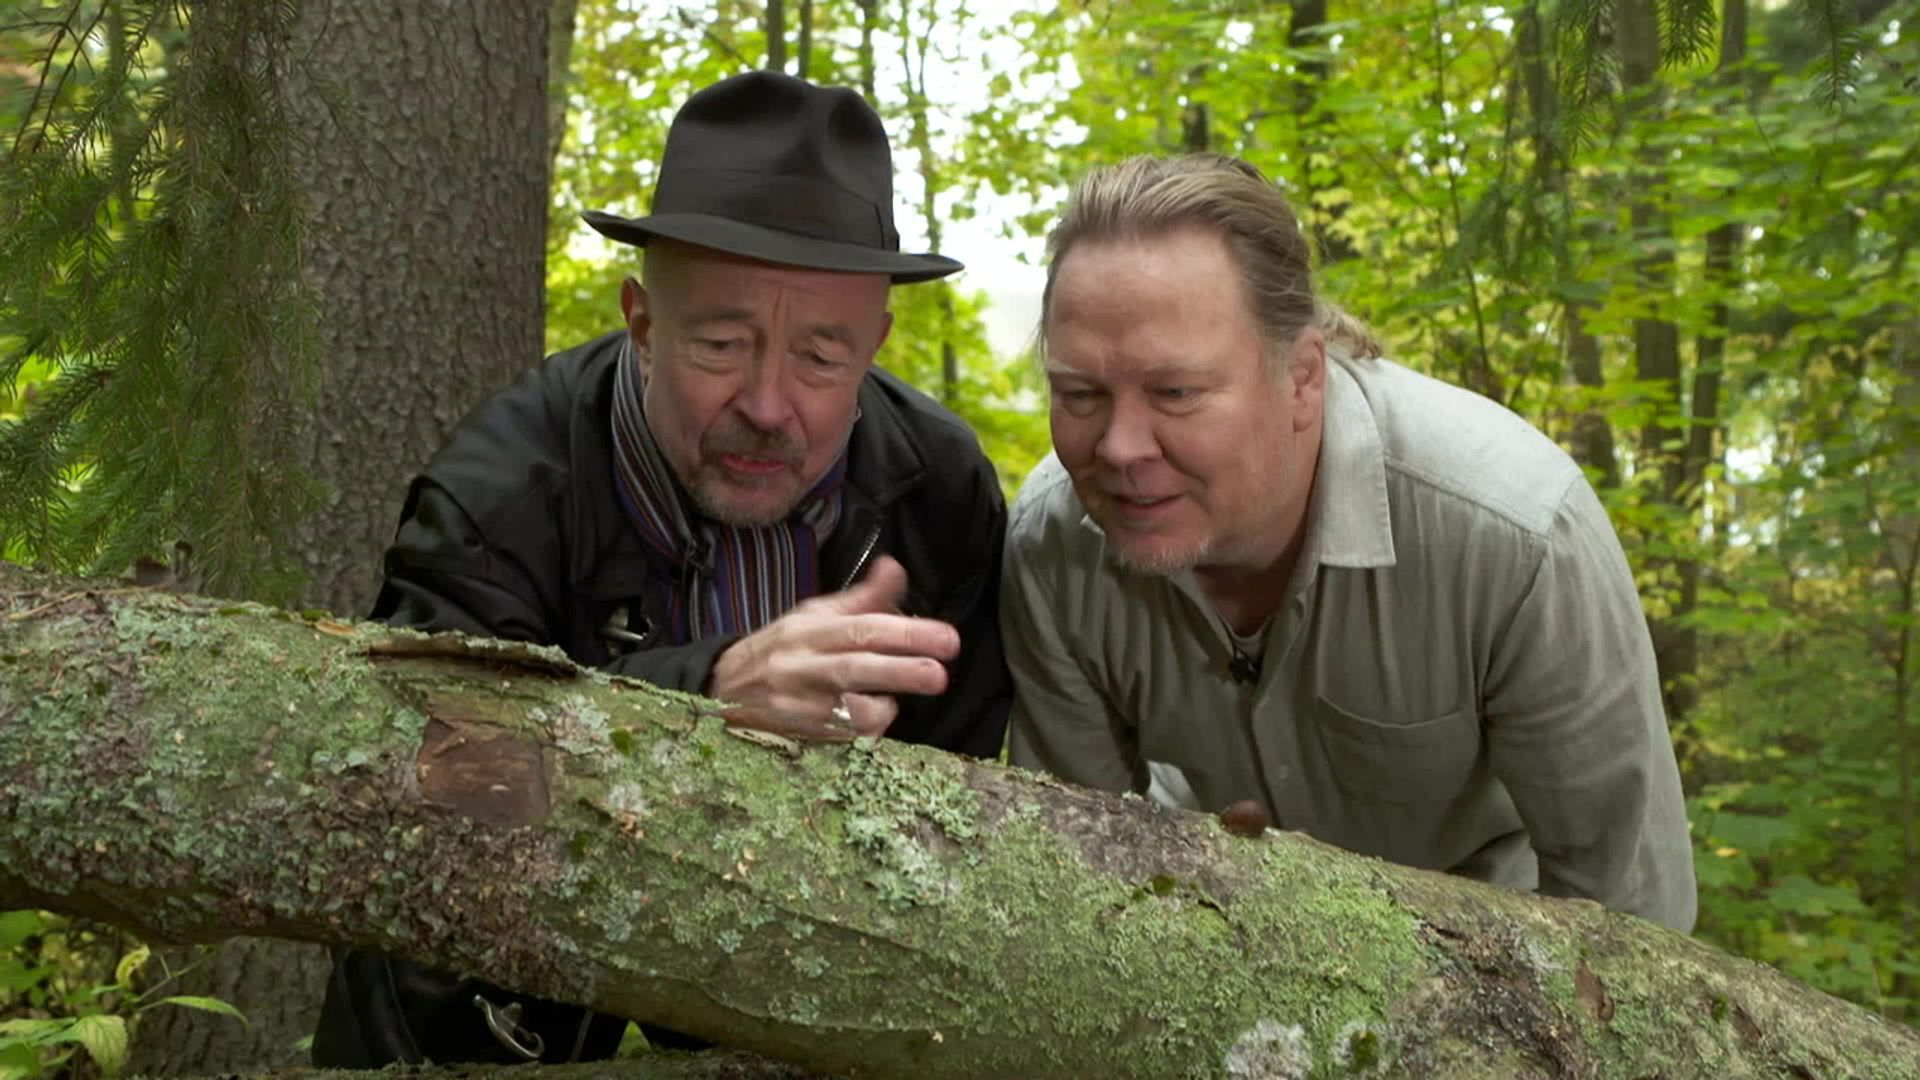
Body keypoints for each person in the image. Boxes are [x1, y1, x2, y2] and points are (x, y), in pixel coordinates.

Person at [311, 71, 1013, 1067]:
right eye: (722, 344)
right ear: (643, 325)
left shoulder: (939, 491)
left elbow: (957, 822)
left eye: (822, 358)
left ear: (875, 347)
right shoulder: (500, 497)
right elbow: (430, 805)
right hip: (493, 1018)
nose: (767, 405)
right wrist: (702, 699)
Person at [1001, 152, 1696, 932]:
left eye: (1176, 392)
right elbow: (1083, 874)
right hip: (1214, 934)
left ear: (1303, 377)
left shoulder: (1516, 538)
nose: (1120, 447)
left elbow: (1634, 924)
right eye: (1080, 394)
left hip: (1495, 960)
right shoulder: (1052, 547)